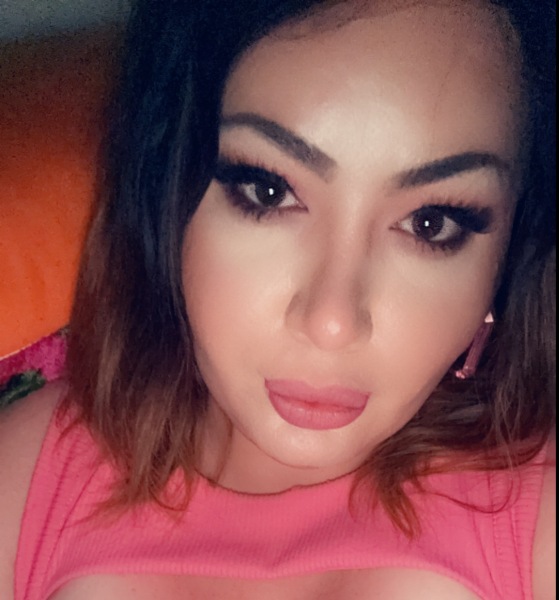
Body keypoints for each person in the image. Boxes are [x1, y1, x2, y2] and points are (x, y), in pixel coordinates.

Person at [0, 0, 555, 598]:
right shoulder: (27, 473)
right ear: (167, 189)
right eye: (267, 192)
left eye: (431, 223)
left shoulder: (537, 512)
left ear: (507, 257)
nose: (332, 322)